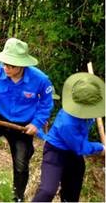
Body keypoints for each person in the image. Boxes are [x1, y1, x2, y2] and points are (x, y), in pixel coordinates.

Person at [0, 38, 54, 202]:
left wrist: (36, 123)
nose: (6, 68)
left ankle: (18, 197)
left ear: (22, 65)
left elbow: (46, 104)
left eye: (11, 65)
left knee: (21, 164)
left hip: (23, 124)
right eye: (4, 63)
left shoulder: (40, 79)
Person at [32, 72, 105, 202]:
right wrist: (100, 147)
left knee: (71, 195)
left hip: (74, 157)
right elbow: (80, 147)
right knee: (47, 191)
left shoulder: (89, 112)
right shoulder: (67, 123)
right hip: (55, 152)